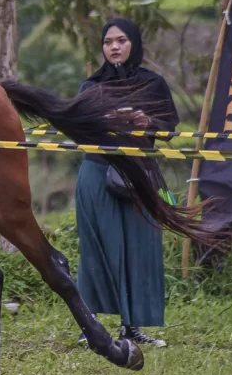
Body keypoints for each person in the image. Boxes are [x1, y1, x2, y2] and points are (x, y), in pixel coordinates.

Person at [74, 18, 177, 348]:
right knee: (97, 249)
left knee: (139, 249)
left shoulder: (153, 84)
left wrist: (146, 121)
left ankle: (132, 329)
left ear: (134, 43)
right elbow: (76, 128)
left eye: (121, 40)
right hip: (96, 173)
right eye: (107, 42)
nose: (114, 47)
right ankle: (89, 326)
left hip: (139, 175)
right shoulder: (90, 87)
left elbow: (169, 126)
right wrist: (104, 121)